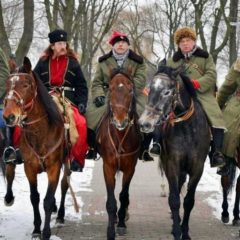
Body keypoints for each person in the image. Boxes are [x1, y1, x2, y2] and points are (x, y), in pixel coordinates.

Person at [151, 27, 226, 169]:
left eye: (188, 40)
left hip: (201, 94)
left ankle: (216, 153)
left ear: (194, 41)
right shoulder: (172, 61)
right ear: (178, 44)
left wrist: (197, 83)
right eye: (182, 41)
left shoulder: (205, 57)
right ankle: (157, 144)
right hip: (177, 95)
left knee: (216, 118)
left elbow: (211, 75)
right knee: (160, 111)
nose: (185, 44)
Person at [85, 31, 153, 161]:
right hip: (109, 93)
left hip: (133, 93)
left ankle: (144, 149)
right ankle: (93, 148)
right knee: (90, 114)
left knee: (148, 115)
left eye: (123, 42)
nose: (120, 45)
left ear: (128, 45)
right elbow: (97, 82)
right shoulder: (103, 61)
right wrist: (99, 95)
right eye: (117, 42)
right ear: (113, 45)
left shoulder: (138, 61)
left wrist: (127, 88)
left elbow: (141, 80)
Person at [33, 29, 88, 172]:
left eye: (64, 43)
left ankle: (76, 159)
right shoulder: (43, 62)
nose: (63, 46)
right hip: (46, 99)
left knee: (81, 123)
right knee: (26, 120)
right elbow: (33, 81)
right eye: (59, 43)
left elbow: (82, 86)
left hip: (67, 100)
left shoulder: (73, 62)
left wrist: (81, 102)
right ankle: (19, 151)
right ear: (52, 46)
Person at [217, 58, 240, 175]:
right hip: (238, 103)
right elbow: (226, 88)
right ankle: (226, 161)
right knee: (228, 130)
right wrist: (217, 107)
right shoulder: (239, 64)